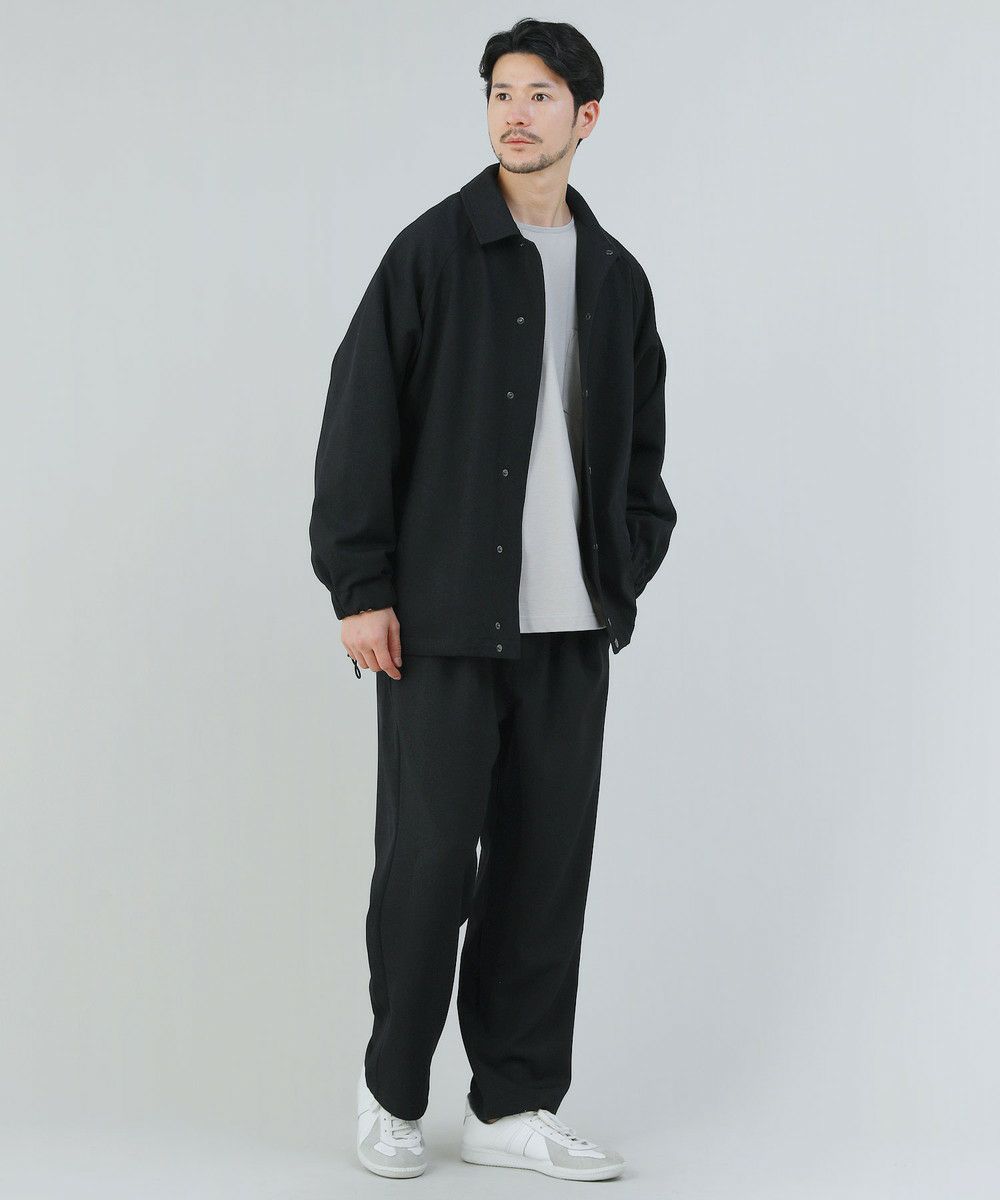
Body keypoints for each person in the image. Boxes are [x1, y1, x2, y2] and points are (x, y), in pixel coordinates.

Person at [309, 17, 676, 1181]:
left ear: (586, 117)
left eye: (540, 94)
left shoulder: (614, 277)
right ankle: (392, 1095)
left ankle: (513, 1104)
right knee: (428, 864)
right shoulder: (432, 252)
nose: (515, 112)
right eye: (501, 92)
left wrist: (623, 566)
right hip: (443, 625)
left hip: (571, 630)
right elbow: (360, 418)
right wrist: (361, 585)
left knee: (542, 869)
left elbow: (642, 456)